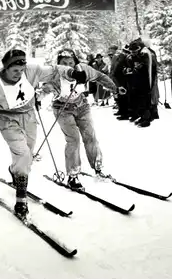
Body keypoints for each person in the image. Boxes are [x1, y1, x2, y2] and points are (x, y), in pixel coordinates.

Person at [0, 49, 87, 218]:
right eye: (14, 71)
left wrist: (72, 73)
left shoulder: (31, 71)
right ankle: (21, 199)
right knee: (23, 154)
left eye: (21, 70)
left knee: (27, 156)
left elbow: (55, 70)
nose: (19, 74)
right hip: (8, 120)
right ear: (5, 68)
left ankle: (15, 170)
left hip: (29, 117)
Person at [42, 48, 125, 189]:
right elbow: (47, 86)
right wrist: (42, 93)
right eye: (64, 63)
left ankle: (98, 168)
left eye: (71, 62)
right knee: (73, 139)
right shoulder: (56, 74)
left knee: (90, 137)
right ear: (59, 64)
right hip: (63, 109)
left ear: (75, 62)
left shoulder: (83, 70)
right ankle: (73, 175)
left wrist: (114, 88)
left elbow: (100, 76)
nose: (68, 65)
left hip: (82, 106)